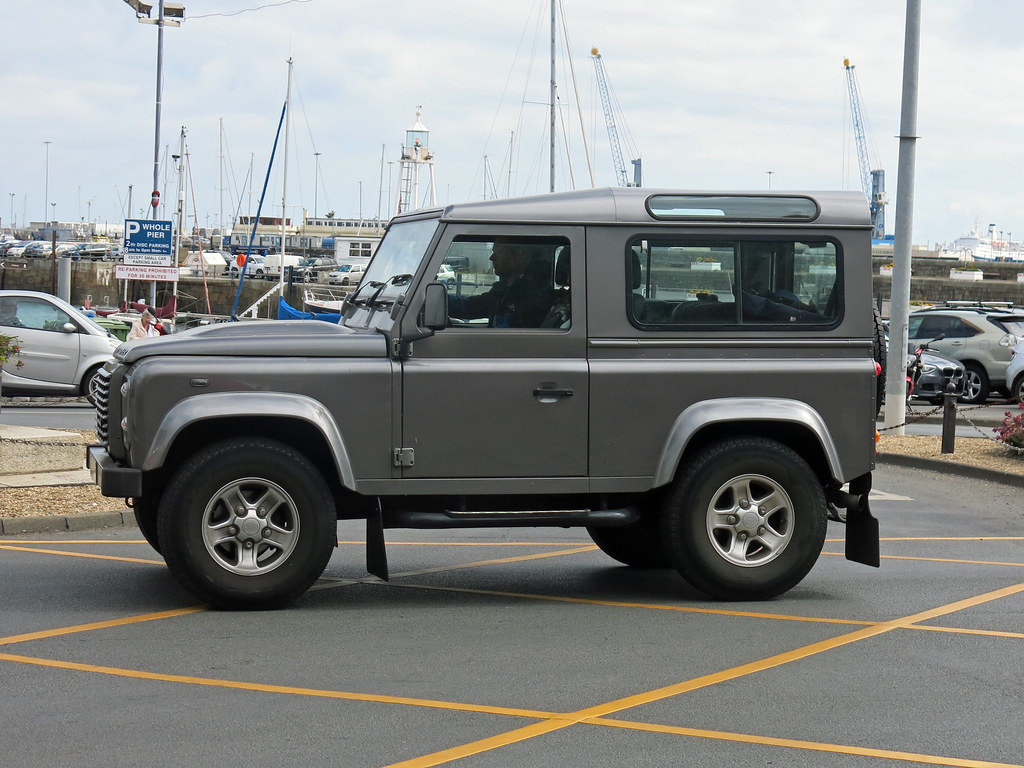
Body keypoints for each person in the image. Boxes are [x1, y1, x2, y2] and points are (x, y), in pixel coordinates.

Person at [446, 240, 553, 328]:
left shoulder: (532, 297)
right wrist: (439, 299)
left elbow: (509, 339)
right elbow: (470, 306)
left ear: (521, 255)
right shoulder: (506, 290)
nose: (492, 258)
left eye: (499, 251)